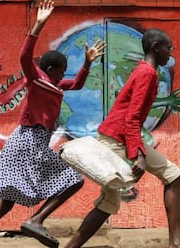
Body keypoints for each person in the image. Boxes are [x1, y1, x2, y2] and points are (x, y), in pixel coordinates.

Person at [0, 0, 106, 248]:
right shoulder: (37, 78)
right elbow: (25, 56)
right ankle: (36, 219)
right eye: (61, 71)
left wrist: (87, 63)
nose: (63, 76)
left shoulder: (55, 85)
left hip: (26, 142)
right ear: (50, 69)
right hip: (29, 140)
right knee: (74, 180)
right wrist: (38, 25)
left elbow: (77, 84)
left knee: (4, 202)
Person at [65, 28, 180, 248]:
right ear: (156, 48)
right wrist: (138, 154)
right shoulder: (147, 73)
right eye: (168, 48)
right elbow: (132, 117)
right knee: (174, 176)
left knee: (108, 203)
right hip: (118, 139)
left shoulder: (144, 71)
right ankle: (175, 242)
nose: (170, 53)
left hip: (114, 137)